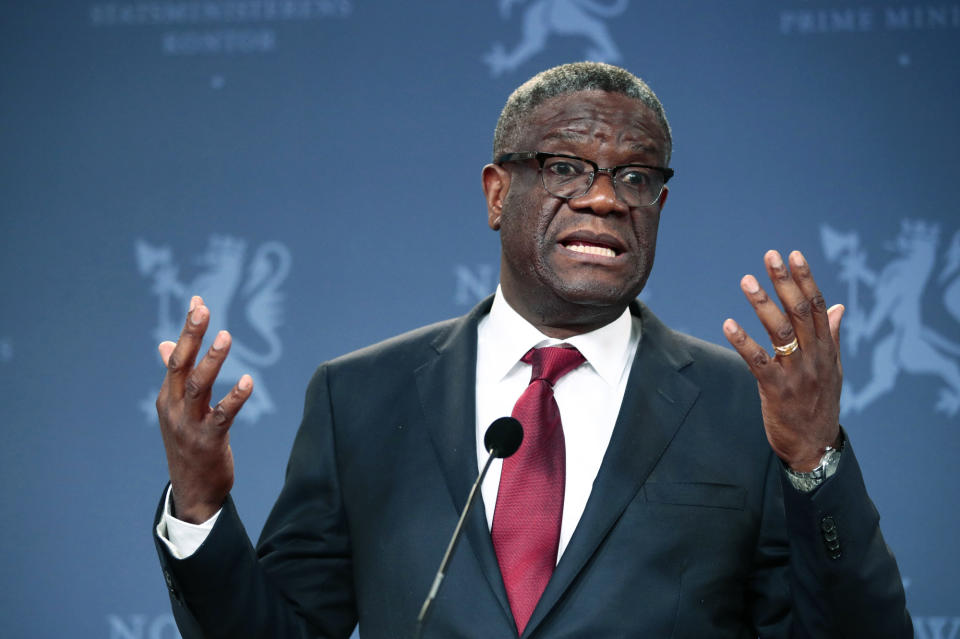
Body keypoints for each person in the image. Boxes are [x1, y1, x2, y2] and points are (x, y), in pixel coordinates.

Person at [153, 62, 912, 638]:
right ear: (495, 193)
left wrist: (814, 460)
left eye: (636, 177)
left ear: (660, 207)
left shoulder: (744, 407)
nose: (606, 197)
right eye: (565, 167)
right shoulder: (358, 399)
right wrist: (198, 506)